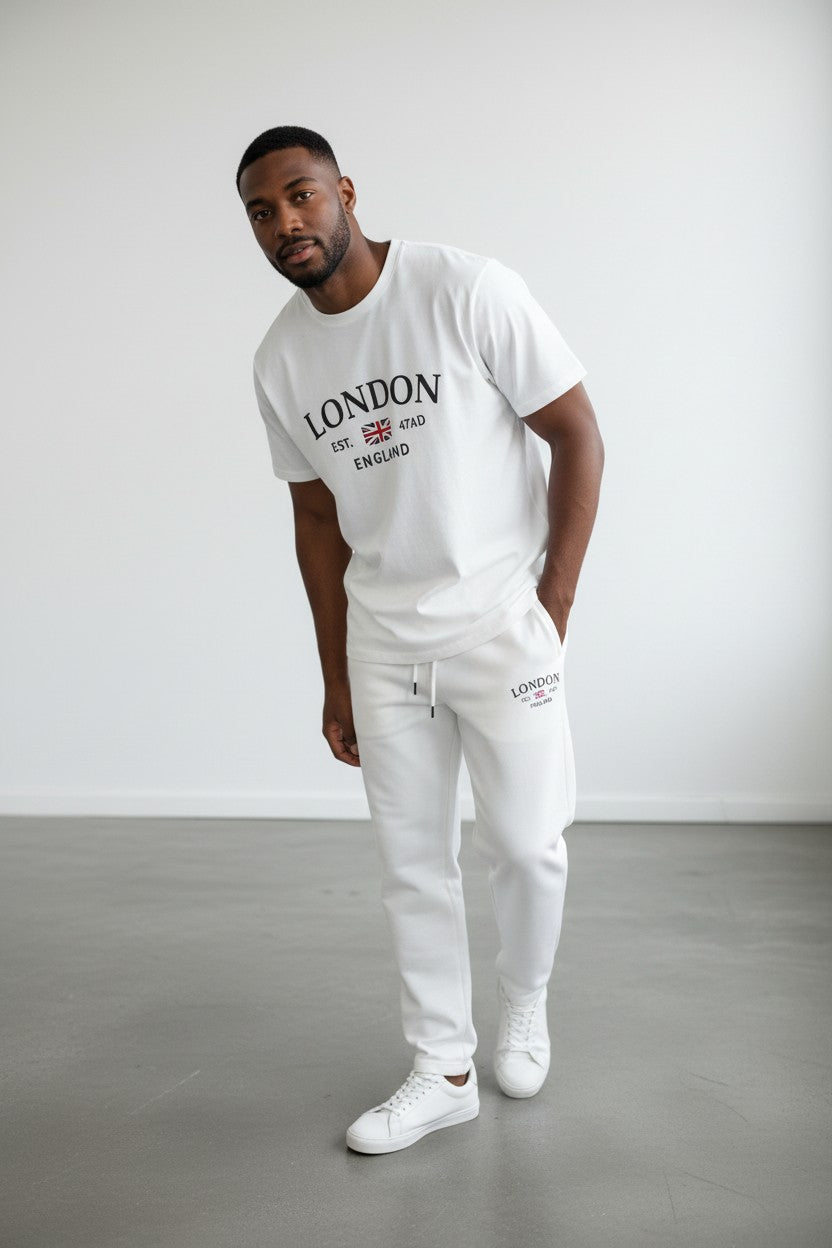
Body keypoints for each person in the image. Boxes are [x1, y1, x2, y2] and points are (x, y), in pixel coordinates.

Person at [237, 125, 604, 1156]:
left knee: (526, 846)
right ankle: (442, 1066)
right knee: (412, 865)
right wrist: (334, 676)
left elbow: (575, 430)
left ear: (344, 190)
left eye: (300, 195)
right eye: (263, 212)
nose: (287, 223)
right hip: (384, 646)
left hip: (502, 628)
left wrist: (552, 607)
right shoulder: (280, 358)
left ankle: (521, 1006)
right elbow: (315, 521)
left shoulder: (462, 288)